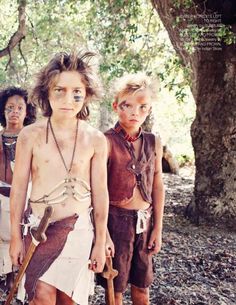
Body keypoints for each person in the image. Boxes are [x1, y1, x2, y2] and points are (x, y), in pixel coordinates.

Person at [9, 51, 109, 305]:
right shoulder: (30, 136)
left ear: (86, 94)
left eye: (76, 91)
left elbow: (100, 194)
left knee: (69, 300)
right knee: (41, 297)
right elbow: (19, 188)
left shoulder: (95, 139)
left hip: (79, 233)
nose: (68, 98)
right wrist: (15, 238)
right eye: (59, 90)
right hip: (39, 231)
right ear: (46, 92)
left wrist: (100, 240)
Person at [99, 73, 165, 305]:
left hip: (144, 223)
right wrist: (103, 234)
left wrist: (157, 227)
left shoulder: (153, 141)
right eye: (127, 105)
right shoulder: (105, 141)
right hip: (116, 222)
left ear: (149, 109)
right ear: (116, 106)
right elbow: (97, 190)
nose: (135, 112)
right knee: (114, 290)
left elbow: (157, 182)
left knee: (142, 288)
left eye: (142, 107)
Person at [0, 86, 36, 293]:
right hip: (1, 198)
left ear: (27, 111)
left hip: (26, 198)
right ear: (3, 111)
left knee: (22, 241)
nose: (14, 112)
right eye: (9, 108)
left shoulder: (33, 137)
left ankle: (20, 288)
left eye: (19, 108)